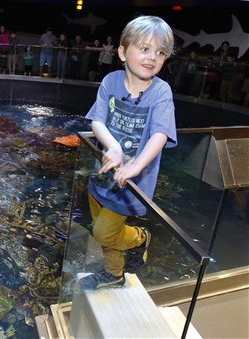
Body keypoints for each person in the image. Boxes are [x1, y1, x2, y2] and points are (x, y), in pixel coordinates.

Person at [79, 15, 177, 290]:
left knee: (104, 232)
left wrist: (134, 167)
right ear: (122, 52)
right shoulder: (110, 81)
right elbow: (97, 120)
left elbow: (160, 134)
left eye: (160, 52)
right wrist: (114, 147)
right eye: (144, 48)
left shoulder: (161, 92)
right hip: (101, 175)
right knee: (103, 230)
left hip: (129, 184)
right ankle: (114, 274)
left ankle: (139, 237)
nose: (151, 57)